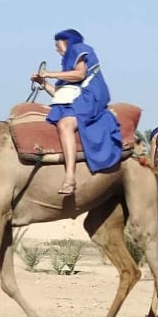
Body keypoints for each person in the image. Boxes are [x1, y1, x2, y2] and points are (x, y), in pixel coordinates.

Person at [31, 29, 123, 195]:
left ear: (65, 41)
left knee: (65, 124)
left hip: (90, 97)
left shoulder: (78, 48)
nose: (56, 48)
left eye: (57, 43)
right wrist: (43, 83)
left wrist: (49, 74)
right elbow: (60, 95)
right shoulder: (66, 70)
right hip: (77, 99)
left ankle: (70, 178)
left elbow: (80, 74)